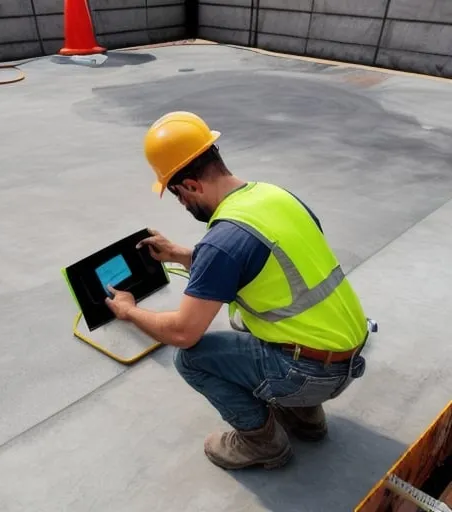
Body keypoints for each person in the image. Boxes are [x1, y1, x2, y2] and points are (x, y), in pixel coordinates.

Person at [105, 111, 376, 471]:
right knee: (241, 320)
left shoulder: (224, 241)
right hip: (348, 351)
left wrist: (127, 310)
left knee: (192, 359)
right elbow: (262, 261)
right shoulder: (274, 196)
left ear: (191, 185)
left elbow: (183, 332)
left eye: (179, 196)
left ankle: (262, 444)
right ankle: (305, 418)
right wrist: (180, 254)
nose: (183, 206)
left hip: (314, 374)